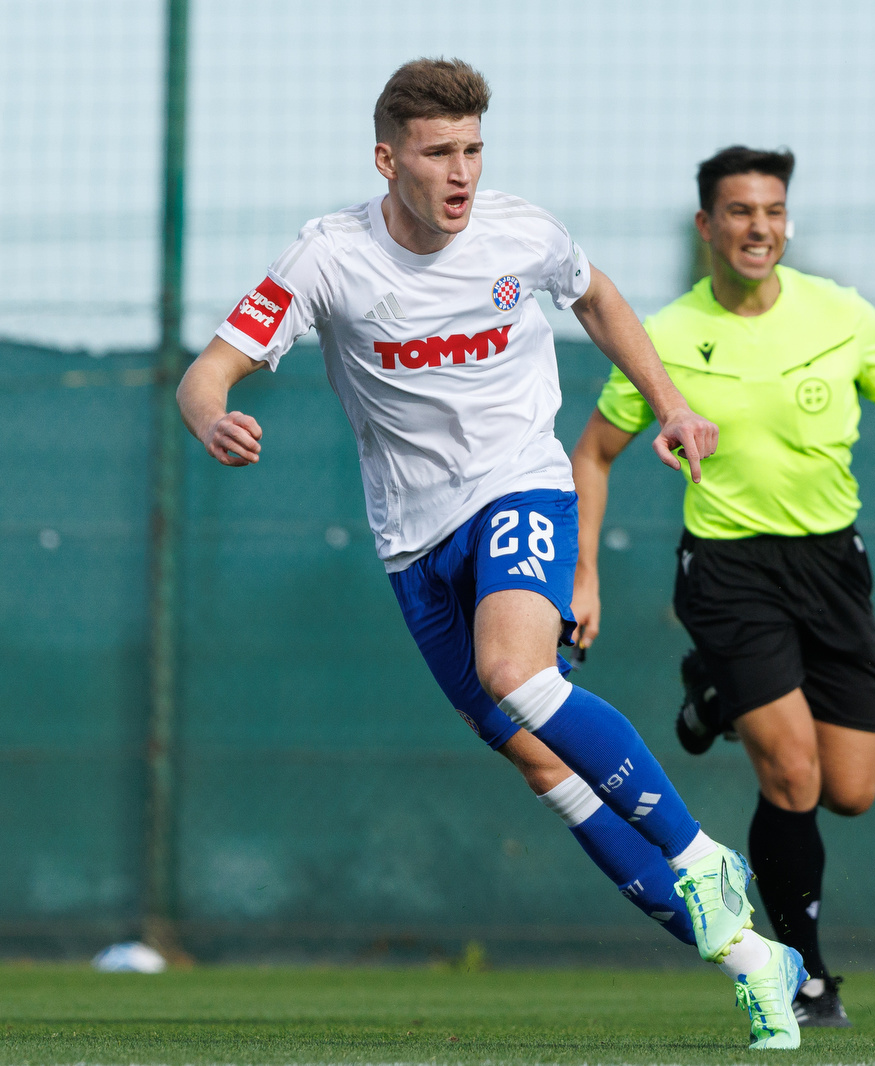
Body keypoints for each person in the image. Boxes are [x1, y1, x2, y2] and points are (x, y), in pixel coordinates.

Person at [175, 62, 805, 1050]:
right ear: (388, 160)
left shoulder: (522, 231)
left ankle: (697, 851)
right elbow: (206, 372)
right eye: (439, 152)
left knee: (517, 671)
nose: (462, 171)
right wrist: (212, 415)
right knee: (536, 759)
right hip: (411, 541)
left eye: (473, 148)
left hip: (520, 483)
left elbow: (595, 299)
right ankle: (756, 962)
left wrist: (671, 404)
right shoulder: (327, 259)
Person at [571, 146, 875, 1027]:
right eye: (740, 212)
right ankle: (806, 975)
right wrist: (583, 573)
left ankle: (713, 700)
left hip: (832, 567)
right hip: (729, 570)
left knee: (849, 789)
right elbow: (592, 452)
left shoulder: (839, 314)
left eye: (773, 211)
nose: (760, 228)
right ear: (708, 226)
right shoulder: (665, 335)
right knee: (792, 774)